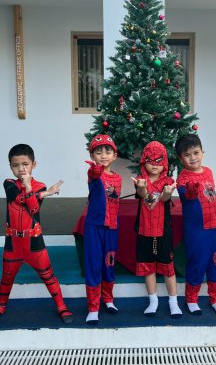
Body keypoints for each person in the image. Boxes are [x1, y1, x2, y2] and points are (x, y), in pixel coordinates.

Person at [0, 144, 73, 324]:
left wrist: (32, 188)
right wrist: (45, 193)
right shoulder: (9, 183)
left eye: (25, 164)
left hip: (34, 242)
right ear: (10, 167)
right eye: (15, 165)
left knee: (48, 276)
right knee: (7, 277)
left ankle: (61, 305)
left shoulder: (40, 186)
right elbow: (17, 199)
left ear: (34, 164)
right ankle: (1, 306)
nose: (21, 169)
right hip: (13, 242)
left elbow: (33, 208)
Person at [175, 134, 216, 316]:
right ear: (180, 158)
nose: (193, 158)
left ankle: (215, 298)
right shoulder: (182, 180)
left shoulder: (209, 171)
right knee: (197, 263)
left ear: (203, 152)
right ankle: (191, 299)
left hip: (215, 227)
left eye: (196, 153)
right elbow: (187, 197)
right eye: (187, 155)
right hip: (197, 231)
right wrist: (191, 190)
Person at [131, 141, 182, 318]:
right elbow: (146, 199)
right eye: (150, 160)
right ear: (143, 161)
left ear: (165, 162)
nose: (154, 164)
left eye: (159, 160)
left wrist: (167, 193)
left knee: (168, 269)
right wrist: (142, 188)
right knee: (148, 269)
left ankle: (173, 302)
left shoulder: (168, 181)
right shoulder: (140, 180)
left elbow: (164, 199)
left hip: (163, 231)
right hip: (144, 231)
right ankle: (153, 301)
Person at [84, 134, 121, 325]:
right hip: (94, 228)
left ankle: (108, 299)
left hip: (112, 228)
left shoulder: (118, 178)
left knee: (109, 264)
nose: (103, 155)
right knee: (93, 265)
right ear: (92, 156)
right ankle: (93, 307)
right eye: (98, 152)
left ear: (115, 155)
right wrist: (95, 170)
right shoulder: (94, 173)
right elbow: (94, 176)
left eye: (108, 151)